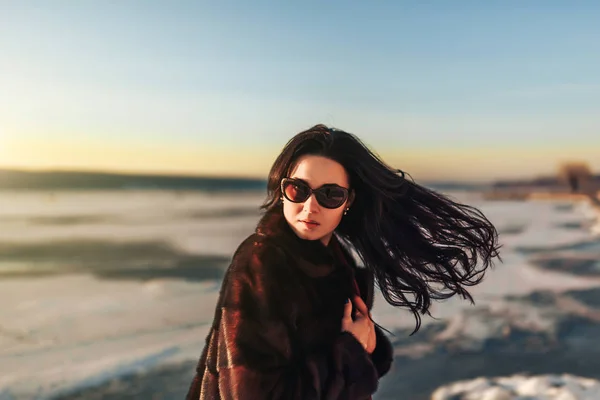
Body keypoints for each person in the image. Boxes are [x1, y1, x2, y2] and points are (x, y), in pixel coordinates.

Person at [186, 124, 501, 399]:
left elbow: (356, 368)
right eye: (298, 189)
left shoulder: (333, 260)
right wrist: (350, 348)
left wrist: (367, 346)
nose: (310, 207)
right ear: (282, 191)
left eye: (330, 195)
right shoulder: (264, 262)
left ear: (348, 203)